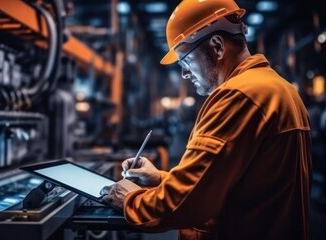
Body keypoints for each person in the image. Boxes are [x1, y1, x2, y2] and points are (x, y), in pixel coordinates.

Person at [100, 0, 312, 239]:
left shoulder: (239, 96)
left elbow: (185, 205)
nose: (184, 73)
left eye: (185, 61)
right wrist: (160, 178)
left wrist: (129, 199)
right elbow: (227, 185)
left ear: (217, 46)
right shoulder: (278, 88)